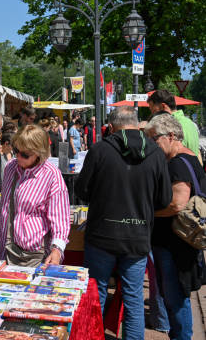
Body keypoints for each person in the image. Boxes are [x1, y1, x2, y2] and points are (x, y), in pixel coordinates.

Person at [75, 107, 172, 340]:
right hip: (137, 235)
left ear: (112, 126)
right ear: (137, 124)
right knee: (133, 298)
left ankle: (94, 336)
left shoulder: (99, 150)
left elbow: (82, 191)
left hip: (102, 234)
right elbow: (164, 199)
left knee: (96, 295)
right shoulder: (156, 153)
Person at [144, 114, 205, 340]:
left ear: (171, 136)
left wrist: (148, 213)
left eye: (154, 139)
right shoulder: (190, 157)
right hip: (177, 243)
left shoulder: (178, 162)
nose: (151, 144)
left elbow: (177, 204)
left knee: (175, 299)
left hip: (174, 245)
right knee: (175, 298)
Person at [0, 125, 70, 266]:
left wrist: (57, 250)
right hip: (7, 249)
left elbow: (60, 220)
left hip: (36, 255)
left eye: (25, 154)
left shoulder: (51, 175)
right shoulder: (11, 167)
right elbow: (6, 210)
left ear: (39, 153)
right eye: (16, 150)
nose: (18, 156)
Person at [147, 89, 202, 164]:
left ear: (163, 106)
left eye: (153, 111)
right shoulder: (190, 123)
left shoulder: (169, 125)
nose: (152, 115)